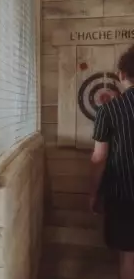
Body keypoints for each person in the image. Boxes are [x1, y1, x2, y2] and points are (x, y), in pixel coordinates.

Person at [90, 45, 134, 279]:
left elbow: (99, 158)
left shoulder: (108, 111)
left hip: (122, 195)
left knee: (128, 256)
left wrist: (94, 193)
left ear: (121, 74)